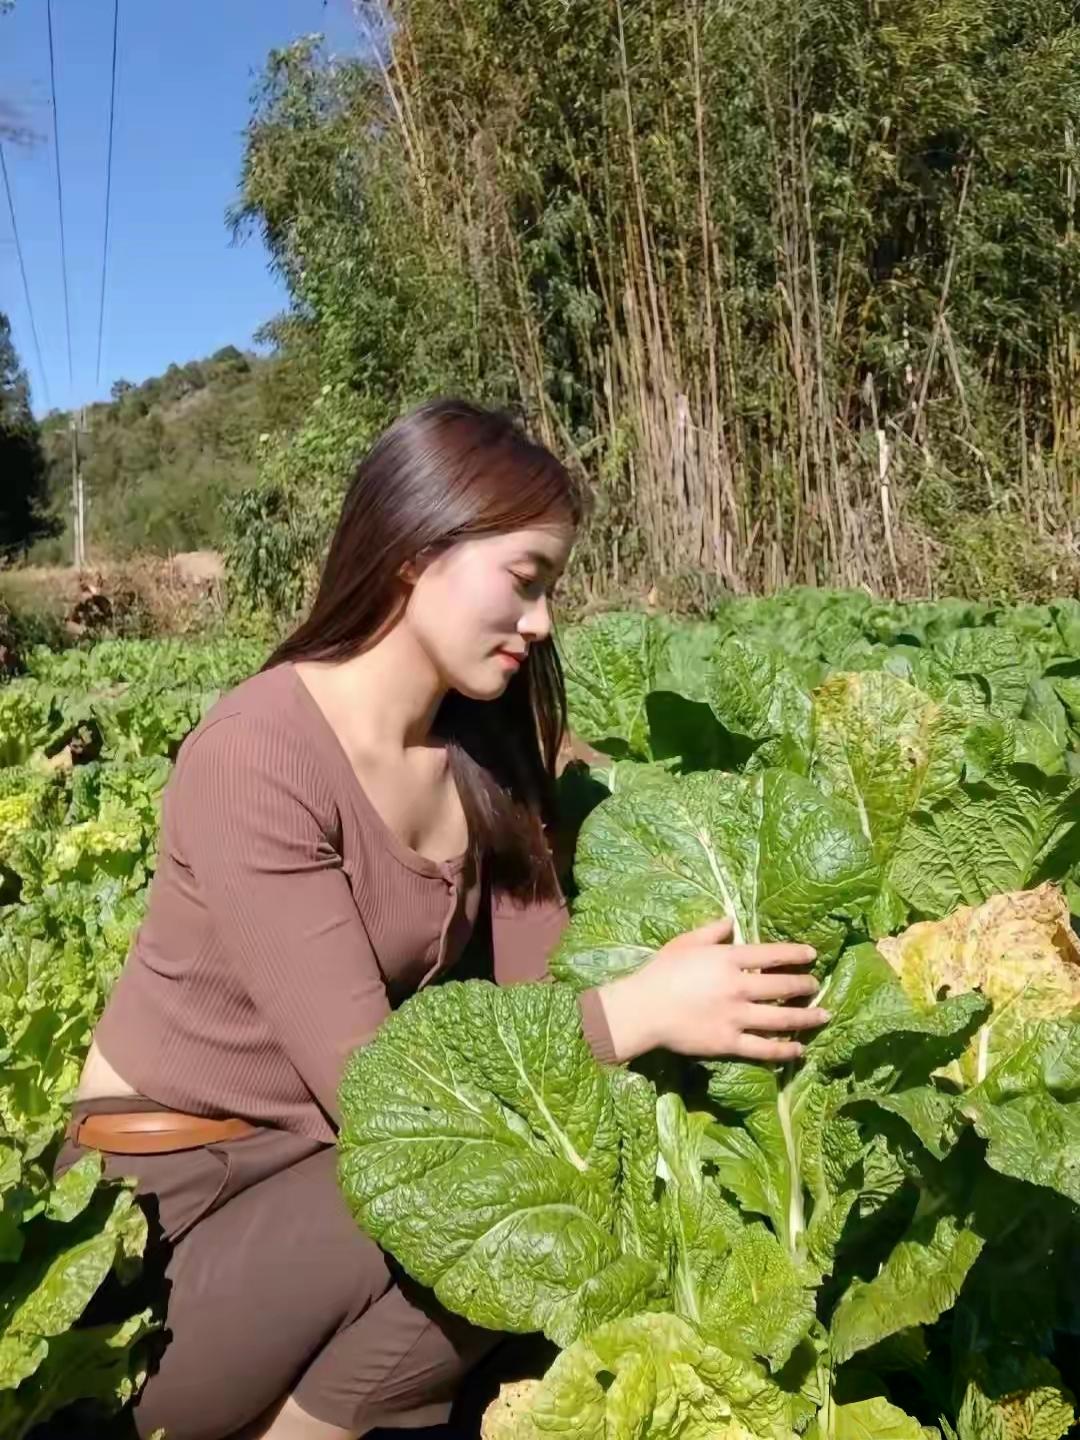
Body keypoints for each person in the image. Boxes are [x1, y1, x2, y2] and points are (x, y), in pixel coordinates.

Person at [59, 399, 828, 1440]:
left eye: (551, 590)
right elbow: (381, 1099)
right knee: (491, 1199)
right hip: (164, 1223)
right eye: (525, 579)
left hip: (326, 1187)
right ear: (418, 550)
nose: (543, 622)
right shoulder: (256, 756)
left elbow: (539, 989)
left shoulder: (479, 753)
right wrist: (640, 1012)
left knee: (551, 1210)